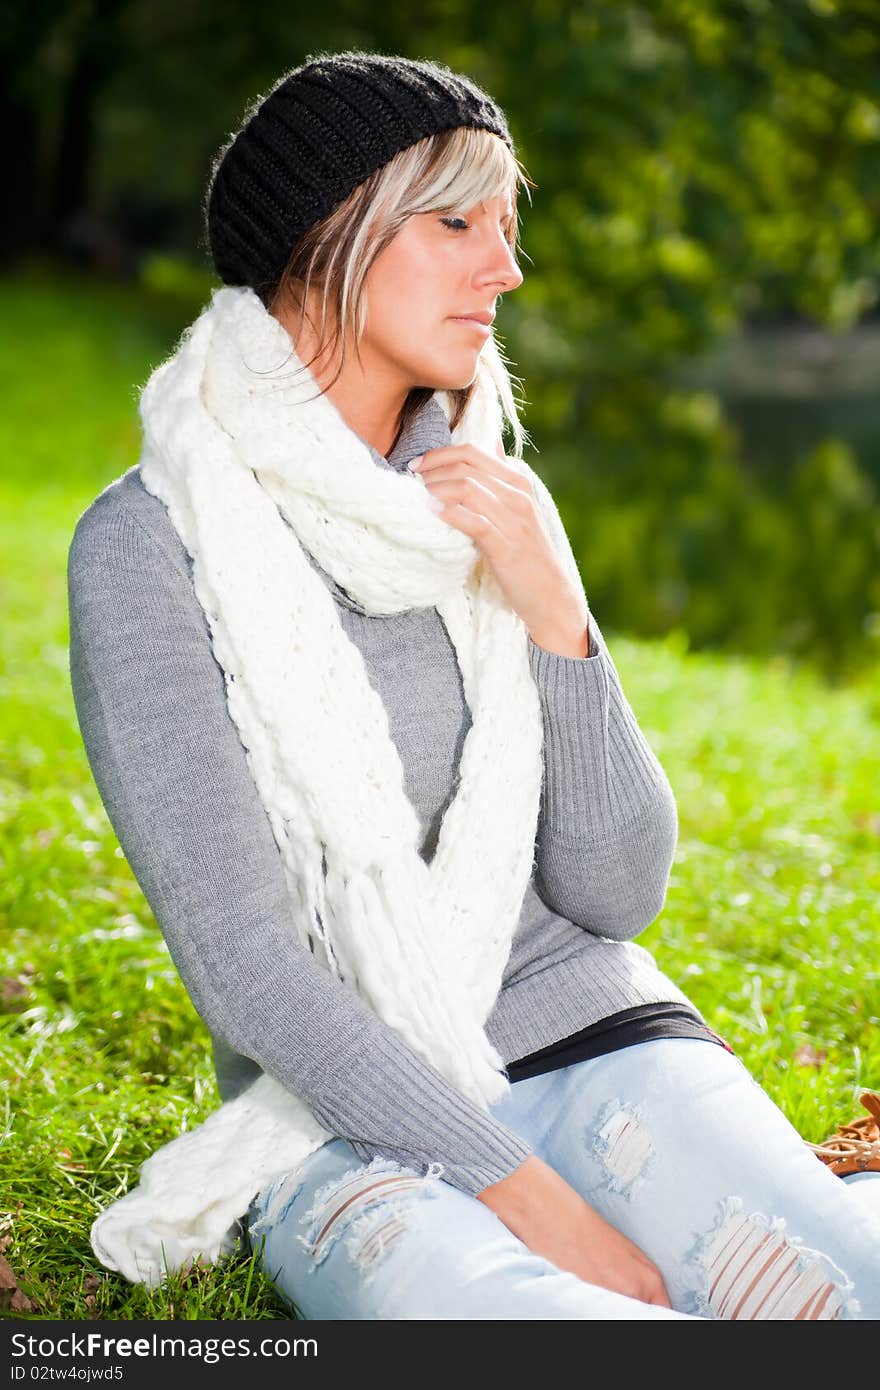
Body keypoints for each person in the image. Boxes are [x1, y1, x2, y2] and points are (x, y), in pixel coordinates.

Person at [67, 50, 880, 1321]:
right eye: (456, 223)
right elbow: (245, 964)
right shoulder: (151, 544)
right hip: (337, 1118)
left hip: (597, 1033)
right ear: (322, 238)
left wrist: (559, 611)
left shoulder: (488, 501)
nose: (502, 267)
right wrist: (535, 1201)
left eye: (507, 228)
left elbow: (614, 893)